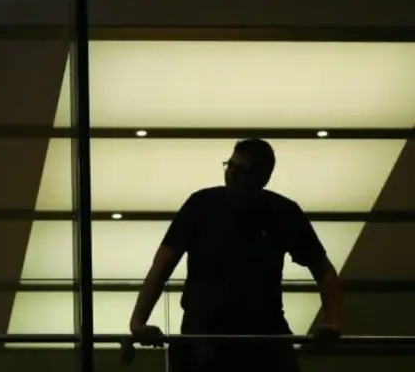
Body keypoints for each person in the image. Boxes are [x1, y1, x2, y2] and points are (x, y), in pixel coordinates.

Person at [128, 138, 343, 372]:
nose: (231, 174)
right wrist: (137, 321)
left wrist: (334, 323)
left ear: (262, 176)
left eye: (241, 169)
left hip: (257, 332)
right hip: (211, 331)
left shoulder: (281, 212)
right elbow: (161, 268)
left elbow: (325, 272)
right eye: (230, 166)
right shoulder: (202, 205)